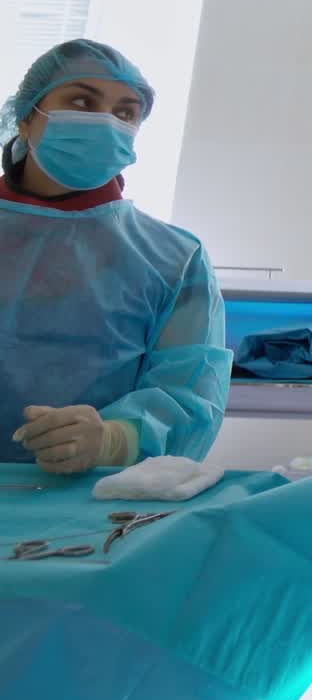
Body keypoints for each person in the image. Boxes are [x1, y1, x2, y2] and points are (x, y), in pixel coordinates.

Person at [0, 39, 230, 473]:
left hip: (90, 502)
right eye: (82, 101)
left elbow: (191, 395)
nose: (104, 122)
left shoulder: (173, 259)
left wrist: (114, 439)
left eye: (126, 113)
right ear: (27, 117)